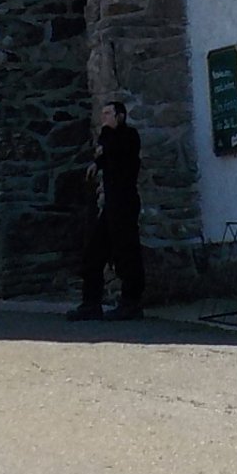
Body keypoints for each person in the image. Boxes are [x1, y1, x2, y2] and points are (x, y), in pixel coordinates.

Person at [70, 100, 144, 322]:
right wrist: (97, 164)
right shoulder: (109, 140)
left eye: (108, 113)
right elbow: (105, 155)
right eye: (102, 114)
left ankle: (131, 303)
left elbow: (115, 149)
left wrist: (104, 137)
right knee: (94, 252)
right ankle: (91, 303)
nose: (104, 118)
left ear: (120, 116)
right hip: (111, 204)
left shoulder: (129, 136)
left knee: (126, 253)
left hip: (125, 202)